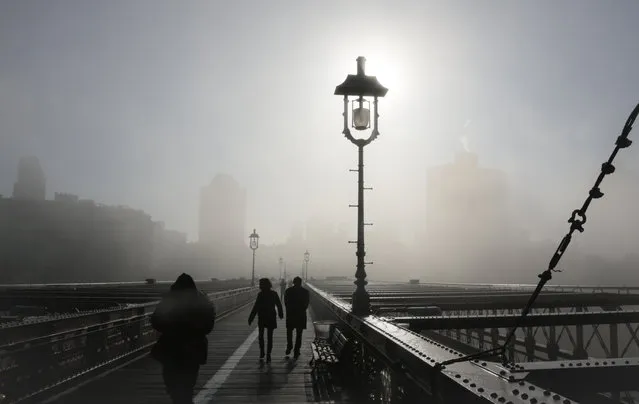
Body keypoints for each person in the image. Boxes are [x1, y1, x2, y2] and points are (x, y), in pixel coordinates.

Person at [150, 273, 216, 404]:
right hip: (194, 347)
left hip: (171, 347)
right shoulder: (202, 300)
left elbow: (156, 320)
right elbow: (209, 325)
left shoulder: (170, 299)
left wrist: (170, 328)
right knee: (188, 383)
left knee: (172, 382)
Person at [248, 277, 283, 363]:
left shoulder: (260, 294)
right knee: (270, 336)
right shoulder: (274, 294)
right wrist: (280, 314)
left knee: (261, 336)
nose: (259, 286)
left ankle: (262, 352)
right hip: (271, 316)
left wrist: (251, 317)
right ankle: (268, 353)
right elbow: (279, 305)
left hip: (262, 317)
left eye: (260, 284)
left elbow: (256, 307)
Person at [284, 276, 310, 359]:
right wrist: (301, 309)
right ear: (301, 282)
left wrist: (290, 309)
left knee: (289, 332)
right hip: (301, 315)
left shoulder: (288, 291)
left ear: (293, 282)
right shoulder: (305, 292)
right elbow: (306, 303)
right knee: (299, 334)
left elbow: (286, 303)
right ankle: (296, 349)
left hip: (291, 314)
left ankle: (289, 346)